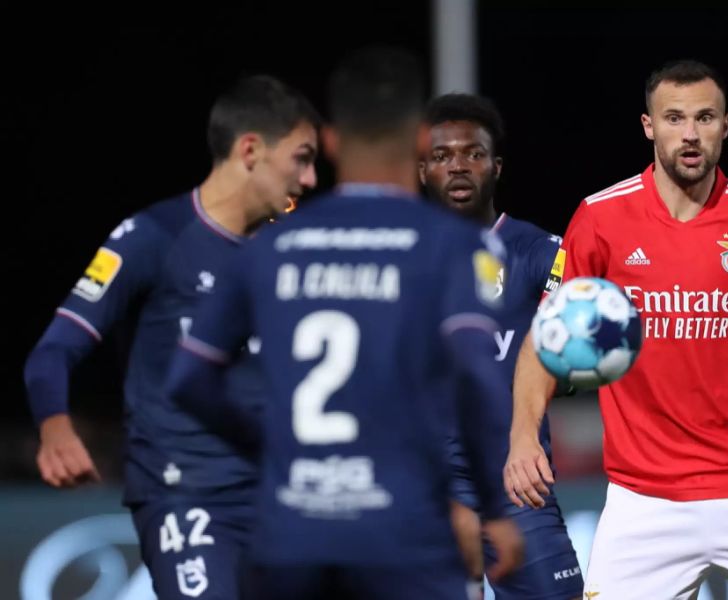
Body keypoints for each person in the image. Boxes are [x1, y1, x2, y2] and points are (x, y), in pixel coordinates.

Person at [166, 46, 524, 599]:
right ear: (419, 141)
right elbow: (476, 378)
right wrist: (493, 509)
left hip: (289, 533)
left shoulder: (270, 246)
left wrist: (269, 445)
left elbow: (188, 380)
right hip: (404, 532)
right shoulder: (452, 245)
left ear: (330, 142)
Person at [504, 59, 728, 599]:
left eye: (704, 117)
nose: (690, 134)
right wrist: (521, 433)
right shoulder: (600, 219)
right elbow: (547, 333)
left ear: (726, 125)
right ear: (649, 126)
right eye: (674, 118)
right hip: (644, 500)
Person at [23, 74, 320, 598]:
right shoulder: (151, 237)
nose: (312, 178)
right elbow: (52, 350)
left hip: (279, 495)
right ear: (251, 149)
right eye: (302, 157)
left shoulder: (288, 251)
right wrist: (55, 427)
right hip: (186, 494)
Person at [420, 93, 582, 600]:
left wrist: (573, 367)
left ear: (496, 165)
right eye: (443, 156)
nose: (459, 166)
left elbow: (575, 355)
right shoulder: (398, 260)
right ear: (423, 169)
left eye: (473, 153)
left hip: (515, 479)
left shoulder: (541, 253)